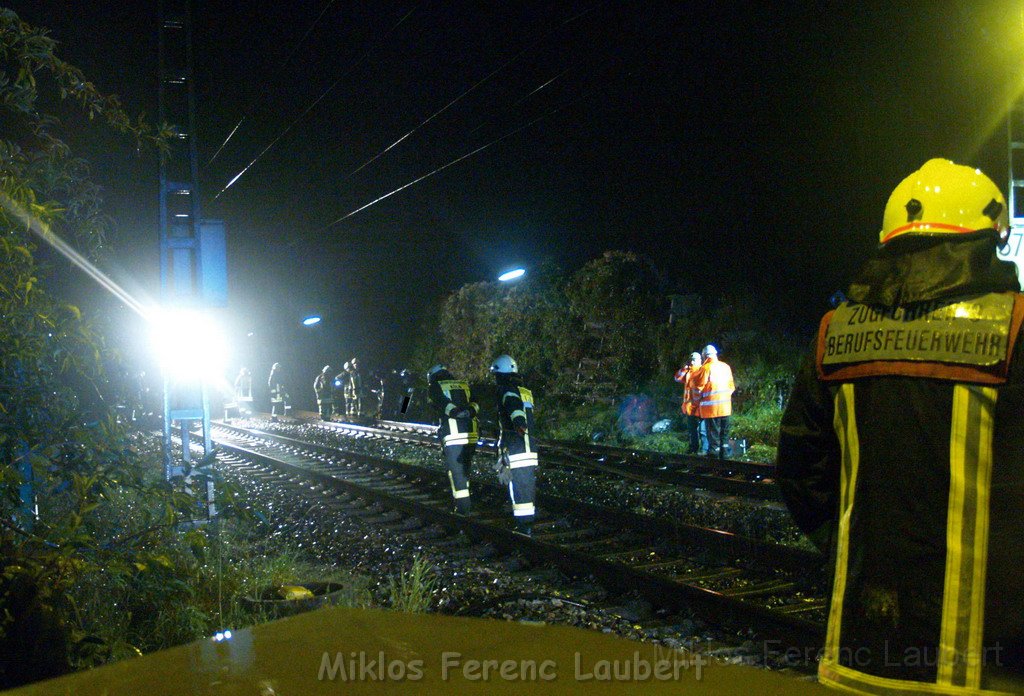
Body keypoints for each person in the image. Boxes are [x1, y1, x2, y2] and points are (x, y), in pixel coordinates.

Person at [776, 158, 1024, 693]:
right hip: (989, 664)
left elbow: (799, 472)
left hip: (859, 655)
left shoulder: (834, 333)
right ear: (988, 239)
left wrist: (852, 549)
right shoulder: (1016, 327)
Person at [491, 354, 538, 536]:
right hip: (528, 446)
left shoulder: (506, 389)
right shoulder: (524, 390)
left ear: (499, 373)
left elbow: (515, 409)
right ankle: (525, 524)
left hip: (517, 447)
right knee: (524, 485)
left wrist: (518, 423)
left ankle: (523, 528)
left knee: (519, 487)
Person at [427, 364, 479, 514]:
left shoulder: (435, 386)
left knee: (456, 473)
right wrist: (469, 411)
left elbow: (441, 403)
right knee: (465, 469)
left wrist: (455, 412)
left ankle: (462, 510)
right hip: (471, 434)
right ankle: (464, 505)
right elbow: (476, 403)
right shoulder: (464, 384)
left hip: (453, 435)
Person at [695, 344, 734, 458]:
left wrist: (696, 403)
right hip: (725, 408)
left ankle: (714, 455)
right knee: (724, 433)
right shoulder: (726, 367)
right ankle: (725, 454)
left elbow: (698, 388)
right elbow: (731, 387)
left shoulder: (705, 368)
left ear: (704, 356)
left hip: (711, 409)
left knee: (713, 434)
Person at [674, 351, 707, 454]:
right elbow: (677, 378)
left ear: (699, 361)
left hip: (701, 406)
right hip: (690, 407)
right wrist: (685, 368)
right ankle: (693, 448)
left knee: (703, 430)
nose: (692, 362)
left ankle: (705, 449)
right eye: (691, 359)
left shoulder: (702, 370)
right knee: (692, 430)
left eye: (694, 360)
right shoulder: (688, 372)